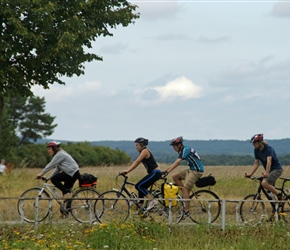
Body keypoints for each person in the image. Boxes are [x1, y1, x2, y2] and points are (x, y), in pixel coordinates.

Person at [163, 136, 204, 214]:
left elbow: (177, 163)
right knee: (175, 177)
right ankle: (185, 195)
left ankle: (186, 211)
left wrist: (167, 172)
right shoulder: (182, 150)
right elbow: (174, 162)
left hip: (197, 171)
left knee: (185, 188)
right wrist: (164, 171)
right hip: (191, 169)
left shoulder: (186, 149)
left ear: (179, 145)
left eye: (174, 146)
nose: (173, 148)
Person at [120, 137, 162, 211]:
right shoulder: (144, 151)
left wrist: (127, 171)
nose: (136, 147)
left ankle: (152, 201)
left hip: (155, 173)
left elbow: (137, 162)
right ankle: (140, 207)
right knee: (141, 188)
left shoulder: (145, 151)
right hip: (153, 173)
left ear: (142, 145)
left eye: (137, 145)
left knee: (138, 186)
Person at [245, 133, 283, 200]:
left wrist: (266, 173)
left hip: (277, 169)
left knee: (264, 183)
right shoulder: (256, 150)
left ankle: (279, 195)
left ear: (260, 142)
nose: (253, 144)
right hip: (269, 171)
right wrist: (250, 174)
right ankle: (276, 207)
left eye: (254, 143)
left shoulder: (268, 148)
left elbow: (269, 161)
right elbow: (256, 163)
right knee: (268, 190)